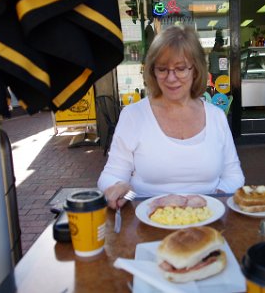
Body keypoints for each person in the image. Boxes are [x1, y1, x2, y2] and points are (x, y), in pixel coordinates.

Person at [98, 25, 244, 210]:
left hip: (207, 219)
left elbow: (233, 175)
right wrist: (116, 188)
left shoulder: (216, 117)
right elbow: (111, 174)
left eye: (181, 68)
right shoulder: (133, 116)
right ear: (152, 71)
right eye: (162, 69)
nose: (171, 78)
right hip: (147, 221)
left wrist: (216, 198)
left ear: (196, 70)